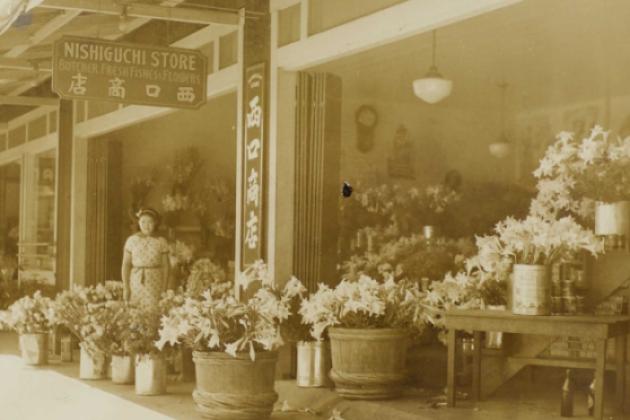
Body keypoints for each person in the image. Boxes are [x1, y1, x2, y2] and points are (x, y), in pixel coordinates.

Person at [121, 208, 169, 309]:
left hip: (155, 282)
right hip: (136, 281)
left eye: (150, 222)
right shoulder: (132, 240)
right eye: (143, 221)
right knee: (135, 311)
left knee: (153, 311)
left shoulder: (161, 241)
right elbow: (126, 265)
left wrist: (164, 288)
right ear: (138, 222)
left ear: (155, 223)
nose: (146, 225)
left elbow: (166, 266)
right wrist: (126, 287)